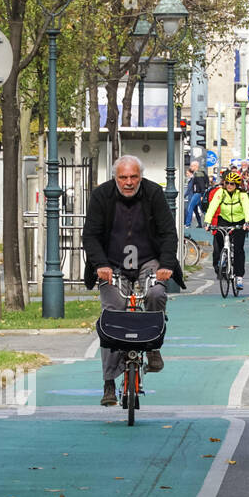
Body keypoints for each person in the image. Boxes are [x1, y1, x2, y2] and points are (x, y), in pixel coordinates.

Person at [82, 155, 185, 406]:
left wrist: (166, 266)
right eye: (123, 177)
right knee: (112, 315)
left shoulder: (153, 194)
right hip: (112, 263)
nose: (128, 182)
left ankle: (152, 346)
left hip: (149, 260)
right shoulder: (101, 196)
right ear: (115, 177)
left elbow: (168, 233)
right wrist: (101, 265)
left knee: (156, 295)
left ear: (141, 176)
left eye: (133, 177)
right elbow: (91, 235)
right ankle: (109, 382)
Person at [204, 169, 249, 291]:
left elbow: (247, 208)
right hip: (224, 219)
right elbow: (213, 206)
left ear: (236, 185)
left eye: (232, 184)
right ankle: (224, 257)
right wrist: (207, 222)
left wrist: (248, 222)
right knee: (219, 237)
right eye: (227, 183)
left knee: (238, 249)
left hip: (239, 221)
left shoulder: (242, 195)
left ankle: (239, 276)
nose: (229, 186)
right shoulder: (220, 192)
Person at [184, 161, 205, 227]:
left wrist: (184, 196)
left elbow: (189, 189)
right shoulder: (193, 178)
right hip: (195, 196)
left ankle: (187, 224)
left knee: (190, 209)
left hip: (194, 196)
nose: (186, 174)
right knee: (198, 211)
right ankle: (200, 224)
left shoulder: (194, 178)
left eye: (187, 173)